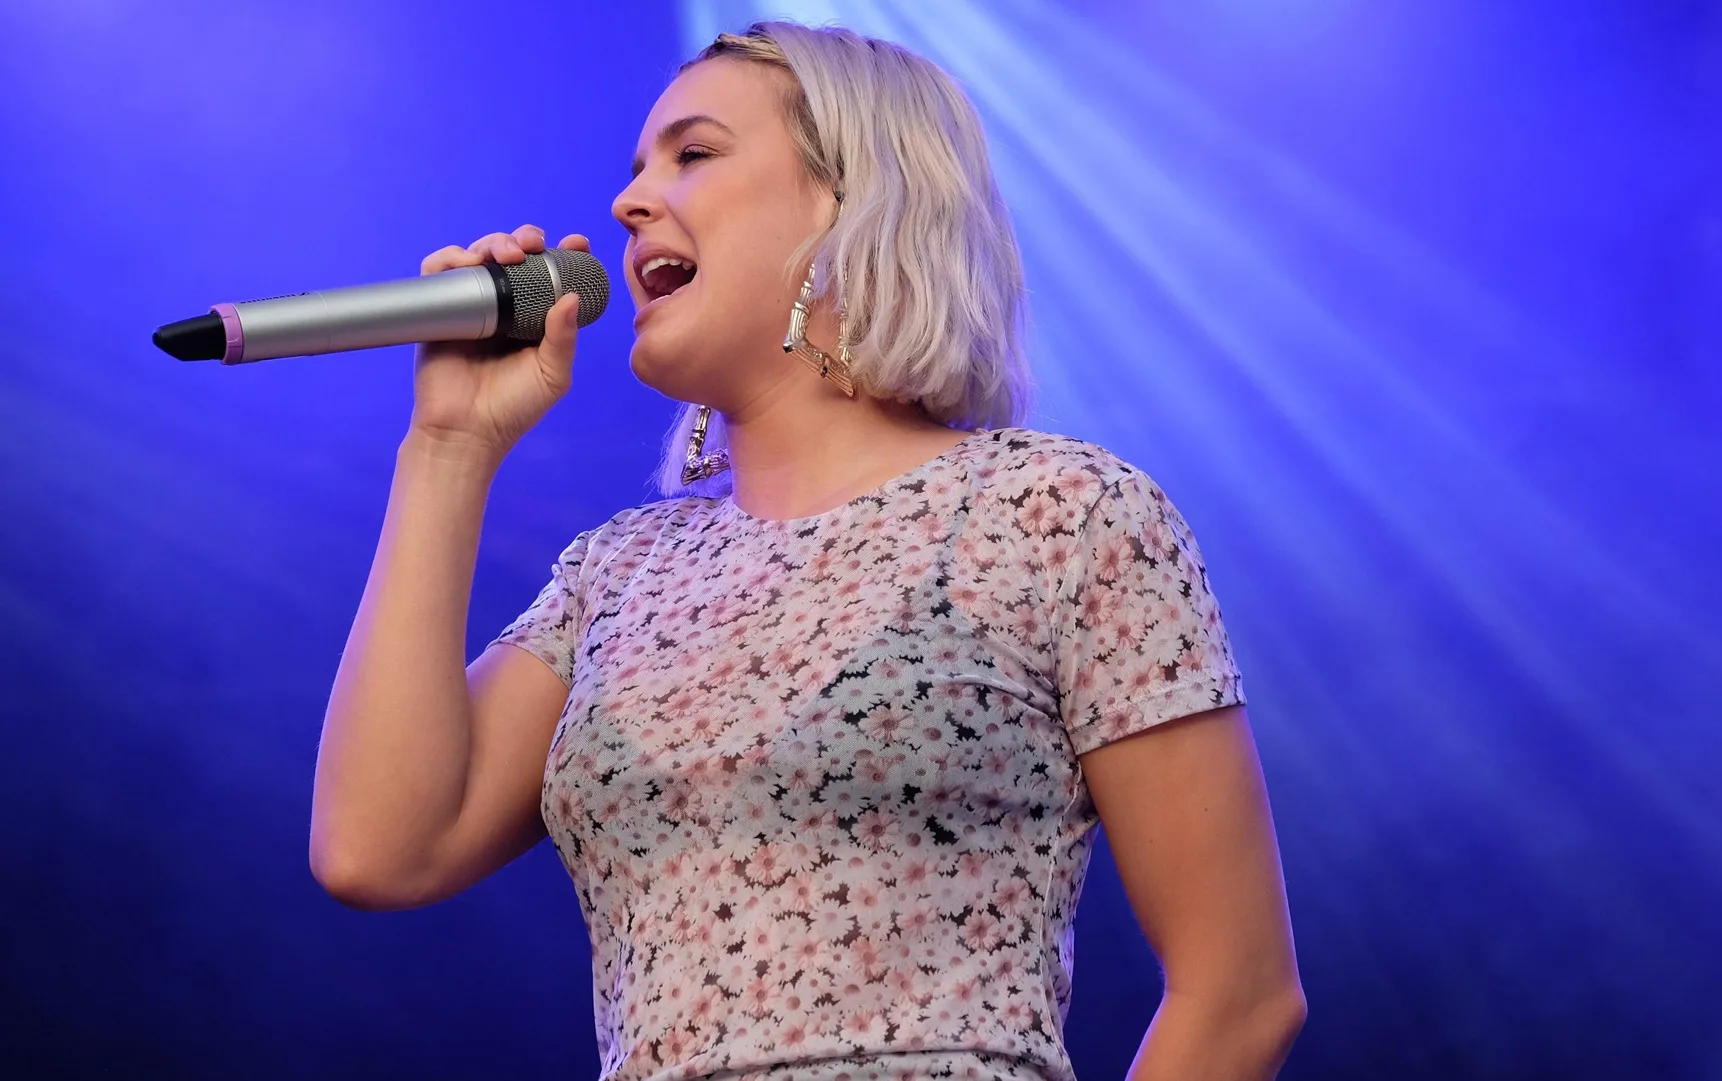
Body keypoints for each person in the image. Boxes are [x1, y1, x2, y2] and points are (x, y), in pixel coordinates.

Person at [309, 20, 1305, 1081]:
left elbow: (1238, 993)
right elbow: (380, 845)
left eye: (692, 155)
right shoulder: (620, 575)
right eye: (636, 167)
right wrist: (448, 448)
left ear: (850, 198)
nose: (629, 200)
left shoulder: (1058, 512)